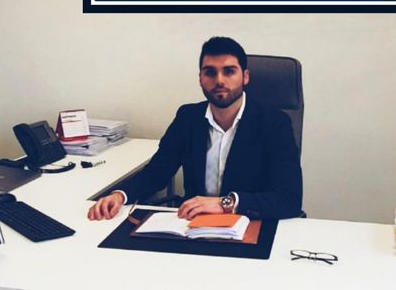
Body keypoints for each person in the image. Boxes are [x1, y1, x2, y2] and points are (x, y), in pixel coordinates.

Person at [87, 36, 302, 221]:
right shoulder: (188, 117)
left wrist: (226, 203)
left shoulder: (275, 123)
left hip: (248, 223)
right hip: (192, 225)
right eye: (210, 72)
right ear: (200, 78)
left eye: (229, 71)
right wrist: (120, 195)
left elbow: (289, 199)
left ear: (245, 77)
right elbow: (157, 172)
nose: (219, 80)